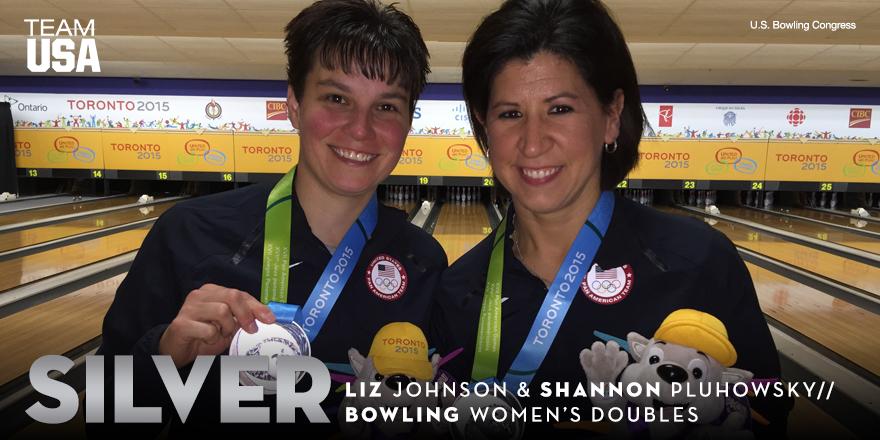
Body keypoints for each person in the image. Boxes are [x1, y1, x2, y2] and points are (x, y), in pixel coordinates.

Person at [432, 0, 789, 437]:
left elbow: (768, 414)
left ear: (612, 116)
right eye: (510, 114)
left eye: (560, 108)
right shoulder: (458, 290)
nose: (532, 141)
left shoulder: (697, 261)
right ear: (484, 130)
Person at [92, 0, 443, 435]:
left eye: (387, 107)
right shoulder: (188, 234)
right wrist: (164, 352)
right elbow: (104, 414)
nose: (360, 128)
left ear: (409, 121)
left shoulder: (424, 261)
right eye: (336, 98)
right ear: (294, 103)